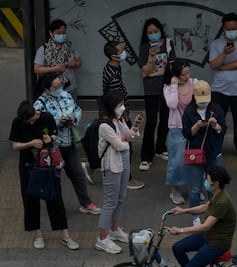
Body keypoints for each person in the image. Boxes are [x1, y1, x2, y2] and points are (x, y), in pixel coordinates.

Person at [9, 101, 79, 250]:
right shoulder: (18, 122)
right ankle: (38, 234)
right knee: (30, 199)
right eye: (29, 122)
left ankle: (65, 235)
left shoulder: (46, 117)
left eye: (33, 119)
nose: (32, 123)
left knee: (55, 198)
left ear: (35, 112)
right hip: (28, 165)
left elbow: (54, 135)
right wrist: (30, 144)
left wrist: (50, 139)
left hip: (47, 164)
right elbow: (15, 145)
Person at [33, 72, 101, 215]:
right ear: (47, 88)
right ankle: (58, 207)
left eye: (60, 84)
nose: (59, 88)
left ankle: (86, 203)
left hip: (69, 142)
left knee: (77, 174)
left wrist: (73, 117)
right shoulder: (40, 104)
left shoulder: (65, 95)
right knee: (55, 178)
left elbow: (77, 109)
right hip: (53, 147)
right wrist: (58, 122)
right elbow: (38, 126)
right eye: (55, 86)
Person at [95, 91, 142, 254]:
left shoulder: (120, 120)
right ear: (111, 106)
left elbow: (130, 136)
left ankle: (114, 230)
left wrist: (134, 125)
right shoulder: (104, 126)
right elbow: (120, 145)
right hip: (111, 166)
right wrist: (125, 140)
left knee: (120, 199)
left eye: (122, 104)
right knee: (110, 202)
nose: (122, 108)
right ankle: (102, 239)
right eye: (118, 105)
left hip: (123, 164)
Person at [170, 166, 236, 267]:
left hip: (217, 243)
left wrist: (180, 230)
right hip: (209, 235)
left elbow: (205, 226)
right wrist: (183, 211)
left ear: (216, 184)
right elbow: (206, 207)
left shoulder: (222, 202)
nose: (205, 181)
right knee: (177, 248)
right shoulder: (216, 193)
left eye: (207, 179)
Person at [99, 40, 144, 190]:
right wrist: (124, 115)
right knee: (126, 145)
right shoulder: (112, 73)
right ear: (114, 56)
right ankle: (127, 177)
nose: (124, 52)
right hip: (119, 115)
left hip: (119, 113)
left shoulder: (115, 67)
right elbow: (116, 97)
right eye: (121, 51)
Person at [208, 12, 237, 163]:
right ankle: (215, 147)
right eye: (228, 28)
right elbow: (213, 65)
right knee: (217, 120)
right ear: (223, 28)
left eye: (234, 28)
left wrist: (221, 66)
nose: (231, 31)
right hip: (219, 89)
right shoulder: (216, 44)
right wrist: (224, 54)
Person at [182, 80, 226, 225]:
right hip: (195, 153)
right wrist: (196, 126)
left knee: (213, 187)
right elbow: (187, 133)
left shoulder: (216, 109)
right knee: (195, 188)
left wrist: (215, 126)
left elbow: (222, 130)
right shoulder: (189, 112)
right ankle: (195, 217)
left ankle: (213, 213)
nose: (203, 104)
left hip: (213, 153)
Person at [138, 17, 176, 171]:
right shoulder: (145, 47)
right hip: (151, 89)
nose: (153, 34)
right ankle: (146, 157)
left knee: (166, 118)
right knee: (151, 121)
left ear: (161, 30)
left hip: (166, 86)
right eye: (150, 32)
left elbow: (172, 66)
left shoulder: (168, 43)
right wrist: (151, 58)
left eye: (155, 31)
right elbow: (145, 72)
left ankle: (160, 148)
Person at [163, 59, 197, 205]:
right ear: (176, 75)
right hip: (177, 127)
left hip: (194, 126)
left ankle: (194, 187)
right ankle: (175, 190)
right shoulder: (169, 87)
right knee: (177, 161)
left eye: (188, 72)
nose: (187, 76)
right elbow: (172, 104)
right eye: (184, 74)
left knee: (195, 158)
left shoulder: (194, 83)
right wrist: (175, 85)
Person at [34, 19, 81, 99]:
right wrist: (55, 68)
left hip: (70, 88)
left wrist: (76, 63)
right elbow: (37, 70)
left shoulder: (69, 47)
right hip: (52, 90)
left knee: (71, 110)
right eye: (58, 33)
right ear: (51, 33)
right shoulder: (44, 49)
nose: (62, 35)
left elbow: (78, 59)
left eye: (64, 33)